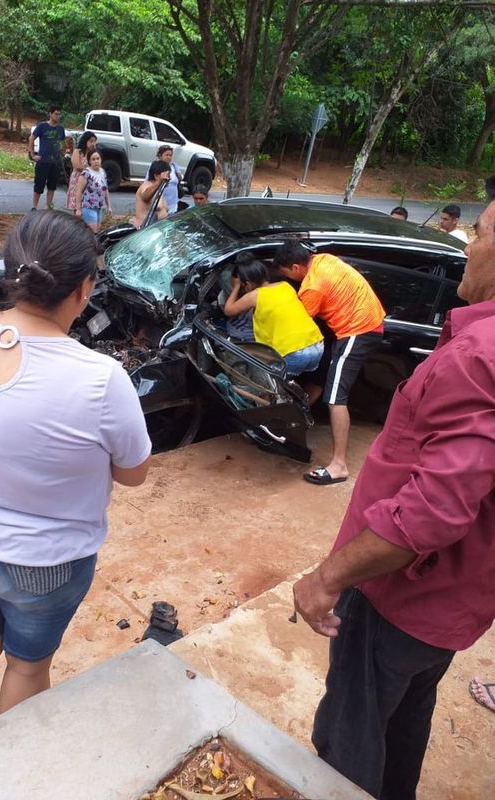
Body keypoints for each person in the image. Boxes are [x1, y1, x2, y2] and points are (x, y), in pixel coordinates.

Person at [0, 211, 151, 744]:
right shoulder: (99, 380)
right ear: (85, 288)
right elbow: (135, 474)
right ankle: (5, 776)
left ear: (10, 269)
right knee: (25, 668)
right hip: (39, 563)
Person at [291, 199, 495, 800]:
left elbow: (434, 507)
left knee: (347, 741)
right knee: (404, 725)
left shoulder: (479, 357)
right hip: (455, 602)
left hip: (400, 597)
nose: (468, 246)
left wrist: (329, 578)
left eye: (479, 235)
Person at [273, 242, 385, 485]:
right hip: (366, 321)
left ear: (294, 267)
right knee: (327, 376)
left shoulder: (312, 288)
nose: (285, 277)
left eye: (285, 273)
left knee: (335, 397)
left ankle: (339, 466)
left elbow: (299, 327)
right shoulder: (323, 259)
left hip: (358, 330)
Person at [224, 254, 324, 375]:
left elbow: (228, 310)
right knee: (289, 379)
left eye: (244, 286)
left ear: (248, 284)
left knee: (263, 380)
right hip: (317, 346)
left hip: (295, 353)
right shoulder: (285, 286)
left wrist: (236, 286)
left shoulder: (255, 295)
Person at [28, 106, 65, 211]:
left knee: (52, 186)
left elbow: (62, 142)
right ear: (50, 114)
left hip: (55, 162)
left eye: (59, 114)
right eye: (56, 114)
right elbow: (31, 138)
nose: (58, 116)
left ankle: (48, 207)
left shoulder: (60, 129)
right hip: (43, 161)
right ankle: (34, 206)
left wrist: (62, 153)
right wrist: (32, 155)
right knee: (39, 185)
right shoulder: (42, 126)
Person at [74, 150, 112, 232]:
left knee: (97, 230)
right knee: (92, 231)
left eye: (98, 158)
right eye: (93, 159)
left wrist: (109, 206)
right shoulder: (86, 173)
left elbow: (105, 190)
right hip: (89, 206)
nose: (96, 161)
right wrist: (78, 209)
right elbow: (79, 191)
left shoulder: (102, 172)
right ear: (89, 161)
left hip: (99, 207)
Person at [145, 145, 182, 214]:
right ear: (160, 156)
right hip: (160, 204)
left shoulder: (174, 166)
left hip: (173, 204)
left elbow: (179, 179)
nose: (169, 157)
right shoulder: (155, 167)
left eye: (170, 155)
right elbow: (147, 183)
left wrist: (178, 174)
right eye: (166, 155)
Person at [134, 160, 170, 228]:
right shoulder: (146, 186)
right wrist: (159, 182)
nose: (169, 178)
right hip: (144, 231)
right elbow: (145, 196)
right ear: (156, 176)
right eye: (167, 176)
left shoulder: (159, 190)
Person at [67, 131, 98, 211]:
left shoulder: (93, 154)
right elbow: (77, 166)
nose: (93, 144)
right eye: (91, 141)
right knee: (77, 204)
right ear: (85, 141)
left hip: (89, 181)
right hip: (77, 179)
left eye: (94, 142)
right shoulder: (78, 152)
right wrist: (89, 168)